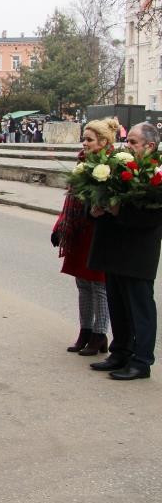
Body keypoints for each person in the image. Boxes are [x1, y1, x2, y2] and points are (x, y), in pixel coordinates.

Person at [88, 122, 162, 380]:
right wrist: (97, 209)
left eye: (133, 142)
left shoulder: (156, 173)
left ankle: (141, 361)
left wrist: (119, 210)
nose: (127, 147)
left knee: (140, 308)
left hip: (138, 253)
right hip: (115, 249)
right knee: (117, 304)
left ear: (149, 146)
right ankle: (120, 351)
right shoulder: (120, 167)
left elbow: (152, 217)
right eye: (127, 141)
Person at [51, 119, 115, 356]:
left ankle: (100, 334)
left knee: (98, 285)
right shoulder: (82, 163)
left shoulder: (112, 165)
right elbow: (70, 199)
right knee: (82, 282)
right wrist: (60, 226)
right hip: (79, 230)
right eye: (84, 139)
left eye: (89, 139)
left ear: (104, 141)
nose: (84, 143)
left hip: (99, 232)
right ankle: (85, 331)